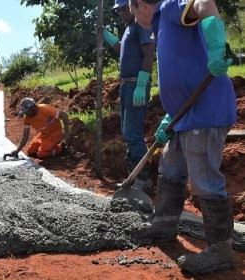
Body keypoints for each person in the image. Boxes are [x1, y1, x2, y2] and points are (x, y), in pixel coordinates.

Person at [129, 0, 236, 275]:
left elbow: (205, 3)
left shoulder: (169, 8)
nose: (133, 18)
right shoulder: (161, 25)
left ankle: (221, 250)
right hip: (183, 117)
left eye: (131, 12)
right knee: (170, 169)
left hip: (205, 113)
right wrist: (170, 115)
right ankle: (164, 224)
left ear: (140, 3)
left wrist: (216, 46)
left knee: (204, 181)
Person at [103, 0, 155, 194]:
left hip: (136, 83)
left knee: (133, 133)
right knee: (127, 132)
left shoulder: (141, 25)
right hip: (127, 85)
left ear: (134, 7)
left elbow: (149, 52)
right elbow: (122, 51)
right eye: (119, 11)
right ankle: (133, 177)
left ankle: (144, 180)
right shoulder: (128, 29)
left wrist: (142, 84)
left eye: (124, 9)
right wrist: (107, 36)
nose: (121, 13)